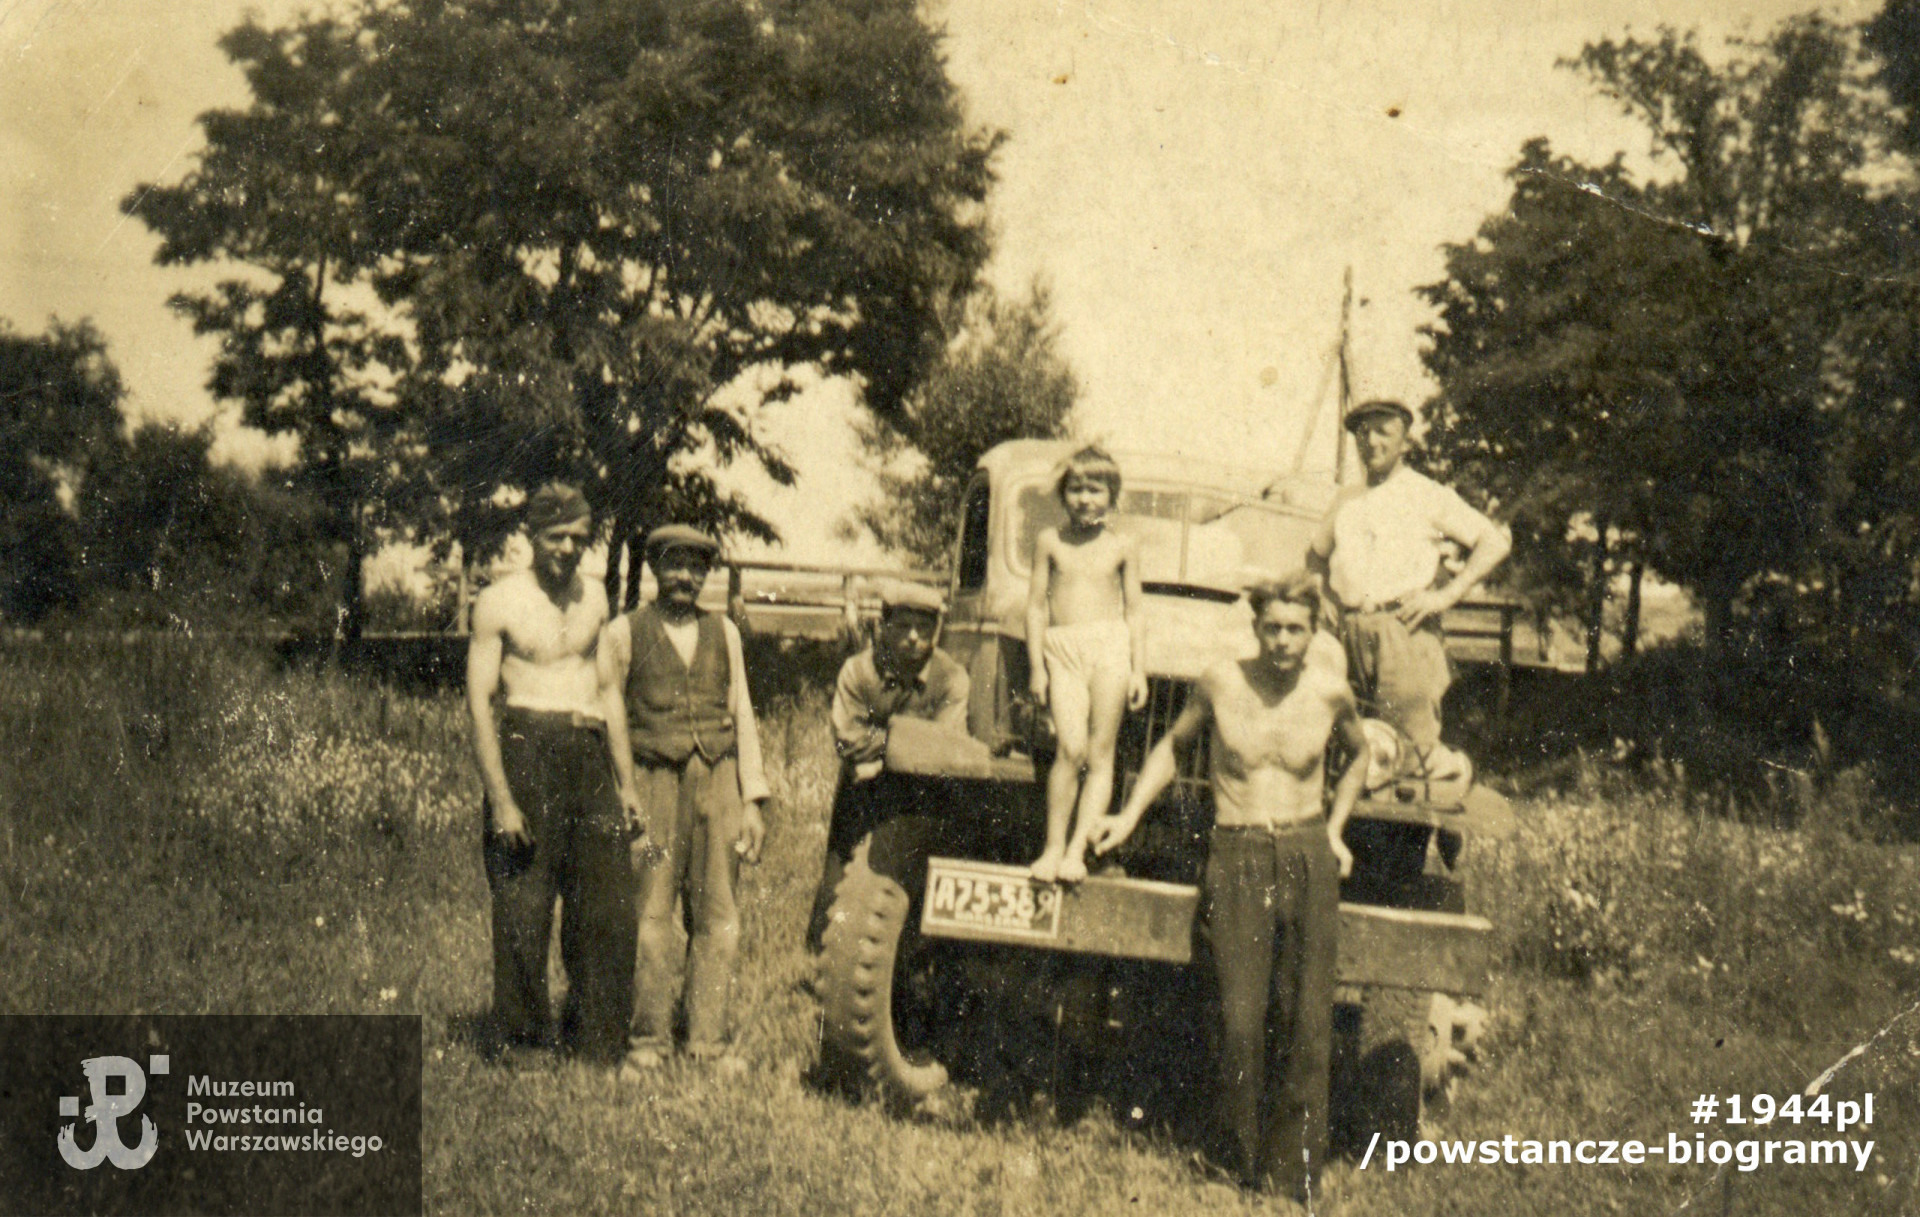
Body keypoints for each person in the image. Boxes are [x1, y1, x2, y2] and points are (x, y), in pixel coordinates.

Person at [1090, 573, 1368, 1200]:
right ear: (1256, 627)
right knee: (1238, 1017)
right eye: (1271, 627)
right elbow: (1173, 746)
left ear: (1314, 632)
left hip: (1305, 850)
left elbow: (1361, 756)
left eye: (1296, 628)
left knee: (1304, 1018)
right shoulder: (1221, 682)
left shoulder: (1330, 692)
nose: (1282, 641)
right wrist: (1127, 815)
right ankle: (1229, 1166)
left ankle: (1292, 1174)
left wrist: (1338, 830)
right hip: (1237, 850)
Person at [1306, 398, 1509, 889]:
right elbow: (1314, 558)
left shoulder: (1428, 494)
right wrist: (1324, 597)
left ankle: (1399, 881)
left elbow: (1495, 541)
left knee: (1407, 766)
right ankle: (1338, 875)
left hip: (1405, 632)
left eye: (1383, 432)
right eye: (1362, 433)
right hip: (1347, 634)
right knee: (1344, 753)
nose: (1371, 442)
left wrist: (1444, 597)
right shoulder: (1345, 500)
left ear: (1404, 439)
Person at [466, 482, 636, 1064]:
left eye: (579, 539)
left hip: (587, 748)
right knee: (524, 903)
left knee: (608, 904)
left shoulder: (596, 600)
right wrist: (502, 800)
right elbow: (480, 706)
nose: (568, 549)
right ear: (531, 536)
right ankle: (523, 1041)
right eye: (556, 537)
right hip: (524, 746)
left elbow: (610, 691)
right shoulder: (498, 602)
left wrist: (628, 785)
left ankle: (597, 1042)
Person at [599, 524, 768, 1074]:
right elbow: (613, 719)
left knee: (718, 912)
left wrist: (753, 800)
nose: (684, 577)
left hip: (717, 784)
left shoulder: (726, 632)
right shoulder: (623, 633)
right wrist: (625, 791)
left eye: (696, 568)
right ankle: (647, 1042)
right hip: (653, 787)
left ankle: (707, 1042)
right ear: (652, 568)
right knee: (651, 911)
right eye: (673, 564)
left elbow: (742, 711)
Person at [804, 580, 970, 953]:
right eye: (902, 627)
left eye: (924, 629)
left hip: (922, 795)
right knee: (838, 882)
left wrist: (881, 745)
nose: (913, 638)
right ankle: (823, 956)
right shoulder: (858, 671)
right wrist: (908, 744)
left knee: (918, 886)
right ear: (883, 625)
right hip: (863, 790)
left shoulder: (953, 678)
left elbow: (946, 748)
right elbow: (847, 738)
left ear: (936, 631)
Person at [1026, 445, 1148, 883]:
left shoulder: (1122, 544)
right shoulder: (1050, 541)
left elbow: (1134, 609)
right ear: (1063, 494)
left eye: (1095, 489)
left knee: (1099, 752)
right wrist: (1038, 668)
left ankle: (1078, 850)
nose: (1084, 499)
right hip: (1063, 650)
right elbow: (1037, 607)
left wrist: (1139, 668)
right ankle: (1053, 846)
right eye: (1076, 489)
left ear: (1111, 495)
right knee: (1070, 747)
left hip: (1110, 648)